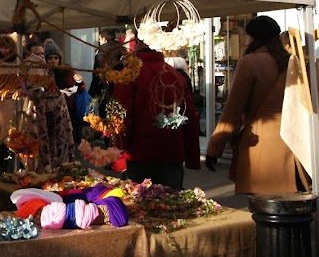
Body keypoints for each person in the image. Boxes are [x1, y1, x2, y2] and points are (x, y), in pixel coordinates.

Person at [206, 15, 307, 194]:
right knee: (289, 201)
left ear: (252, 38)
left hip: (261, 140)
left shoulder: (250, 62)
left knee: (264, 203)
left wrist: (215, 147)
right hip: (293, 139)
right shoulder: (293, 63)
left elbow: (232, 111)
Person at [112, 42, 201, 189]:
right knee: (171, 199)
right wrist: (192, 157)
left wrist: (118, 155)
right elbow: (190, 117)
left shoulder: (129, 75)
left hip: (139, 153)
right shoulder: (175, 75)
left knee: (138, 198)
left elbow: (122, 119)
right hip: (171, 152)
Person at [44, 41, 87, 142]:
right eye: (50, 58)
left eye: (56, 58)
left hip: (68, 108)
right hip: (50, 110)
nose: (53, 61)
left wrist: (78, 82)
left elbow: (80, 87)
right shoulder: (43, 72)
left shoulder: (67, 70)